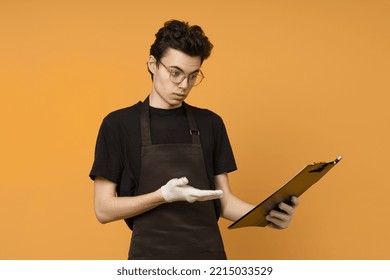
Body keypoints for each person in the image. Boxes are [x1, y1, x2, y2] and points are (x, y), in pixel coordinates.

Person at [89, 19, 299, 260]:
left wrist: (267, 216)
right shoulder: (118, 125)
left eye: (192, 76)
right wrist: (163, 195)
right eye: (175, 73)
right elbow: (103, 209)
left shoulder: (210, 123)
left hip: (209, 260)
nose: (183, 85)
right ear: (152, 64)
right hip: (148, 263)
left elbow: (224, 201)